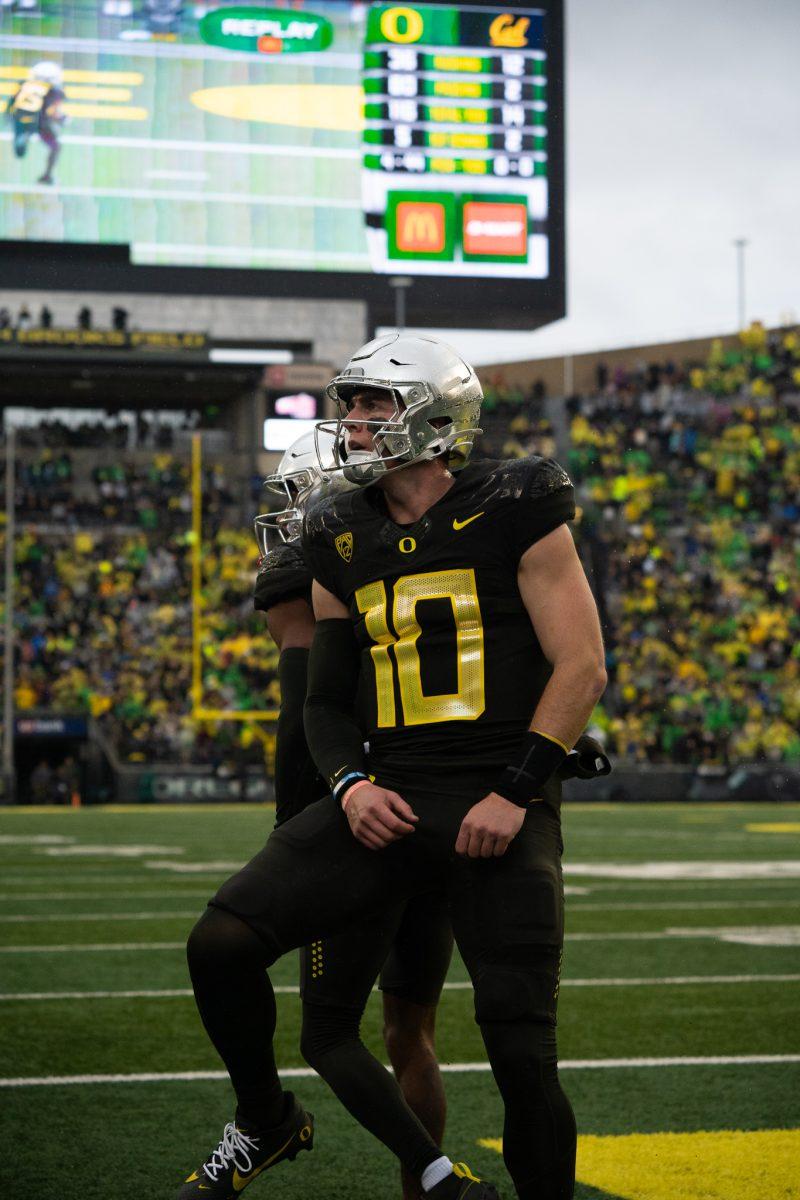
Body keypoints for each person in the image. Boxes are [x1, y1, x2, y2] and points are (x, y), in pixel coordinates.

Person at [178, 335, 606, 1200]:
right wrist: (350, 784)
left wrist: (517, 789)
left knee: (522, 1056)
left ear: (437, 417)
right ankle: (264, 1117)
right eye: (352, 405)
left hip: (496, 801)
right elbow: (327, 703)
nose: (355, 422)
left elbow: (582, 666)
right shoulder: (339, 530)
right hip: (389, 797)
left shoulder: (519, 500)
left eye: (375, 405)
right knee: (220, 943)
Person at [252, 429, 454, 1200]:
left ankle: (434, 1181)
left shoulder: (311, 583)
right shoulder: (418, 566)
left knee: (325, 1029)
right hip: (425, 809)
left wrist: (290, 843)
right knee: (412, 1036)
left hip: (350, 823)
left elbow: (305, 728)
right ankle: (424, 1189)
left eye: (295, 506)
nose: (283, 531)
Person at [7, 61, 66, 185]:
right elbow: (53, 112)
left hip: (19, 119)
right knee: (56, 147)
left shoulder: (23, 84)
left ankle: (24, 136)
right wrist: (62, 119)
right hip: (40, 121)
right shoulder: (54, 91)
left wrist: (9, 116)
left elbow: (11, 103)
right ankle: (47, 176)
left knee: (20, 150)